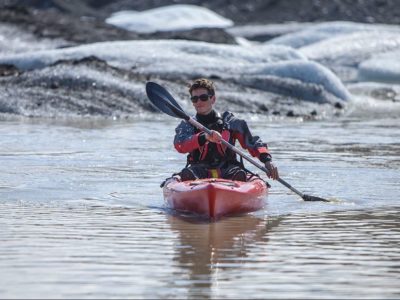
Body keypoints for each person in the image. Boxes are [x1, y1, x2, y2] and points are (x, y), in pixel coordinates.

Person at [174, 78, 279, 182]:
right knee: (187, 174)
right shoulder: (188, 124)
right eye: (195, 99)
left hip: (229, 169)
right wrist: (204, 137)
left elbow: (252, 142)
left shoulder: (230, 122)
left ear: (213, 99)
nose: (199, 102)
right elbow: (180, 145)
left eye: (203, 97)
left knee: (239, 174)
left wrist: (267, 160)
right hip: (198, 170)